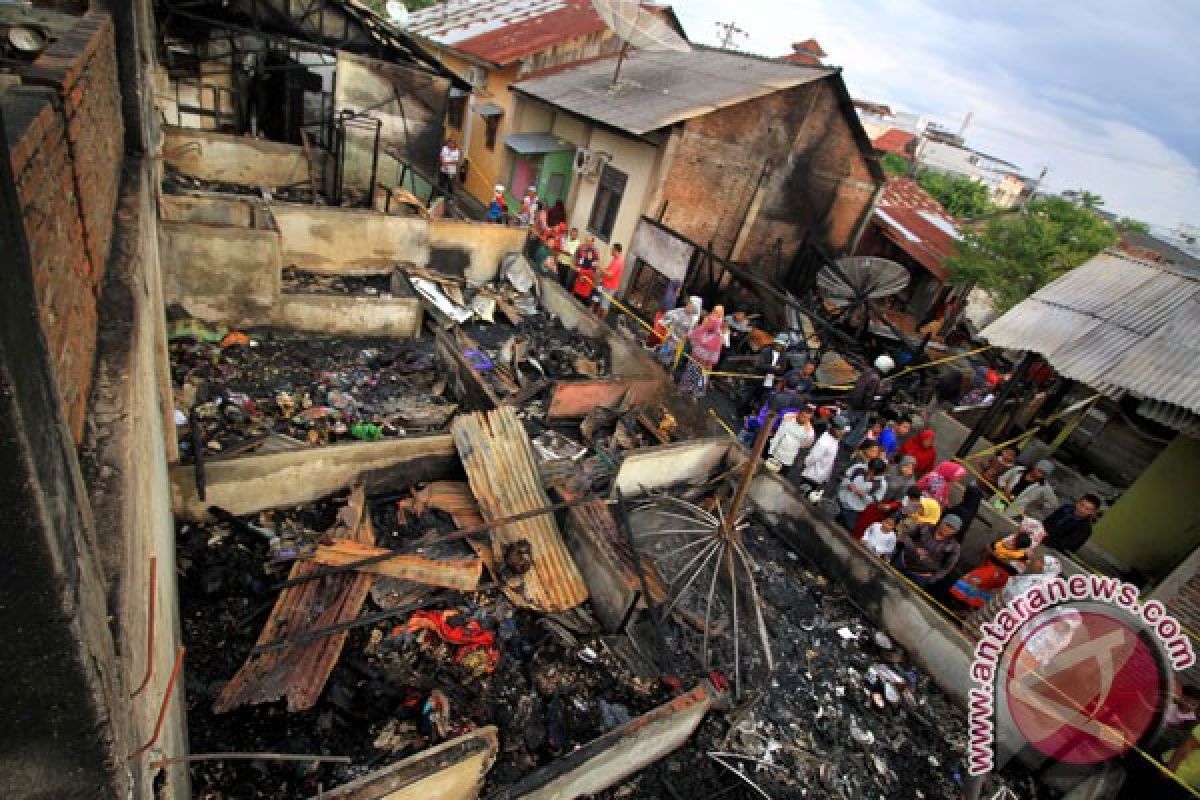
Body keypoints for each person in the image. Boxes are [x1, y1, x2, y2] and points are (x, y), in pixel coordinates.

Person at [896, 513, 963, 588]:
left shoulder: (954, 547)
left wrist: (932, 578)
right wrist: (914, 548)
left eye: (952, 528)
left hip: (920, 576)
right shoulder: (925, 527)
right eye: (947, 525)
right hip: (902, 563)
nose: (947, 529)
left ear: (955, 531)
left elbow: (948, 567)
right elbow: (905, 536)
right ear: (942, 522)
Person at [847, 354, 894, 446]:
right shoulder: (875, 378)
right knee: (861, 426)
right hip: (860, 405)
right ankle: (849, 444)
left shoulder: (868, 372)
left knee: (849, 419)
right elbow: (869, 395)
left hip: (853, 400)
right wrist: (867, 409)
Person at [800, 415, 850, 495]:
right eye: (840, 430)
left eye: (843, 431)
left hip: (821, 478)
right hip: (812, 477)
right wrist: (805, 465)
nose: (842, 433)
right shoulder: (824, 442)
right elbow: (812, 458)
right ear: (833, 428)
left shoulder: (835, 439)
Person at [679, 308, 724, 398]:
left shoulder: (718, 337)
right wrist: (687, 336)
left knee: (700, 377)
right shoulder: (704, 328)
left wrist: (710, 363)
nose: (708, 323)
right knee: (689, 372)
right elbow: (694, 333)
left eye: (711, 323)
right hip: (695, 356)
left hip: (705, 361)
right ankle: (684, 389)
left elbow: (716, 353)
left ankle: (695, 394)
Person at [838, 457, 888, 531]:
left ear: (880, 473)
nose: (870, 473)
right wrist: (848, 484)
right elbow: (844, 477)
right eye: (870, 470)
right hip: (841, 500)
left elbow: (875, 500)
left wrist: (863, 495)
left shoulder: (882, 484)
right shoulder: (858, 467)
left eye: (874, 473)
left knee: (846, 529)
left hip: (854, 509)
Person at [768, 408, 815, 483]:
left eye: (807, 418)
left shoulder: (810, 432)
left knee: (777, 480)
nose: (804, 419)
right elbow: (779, 430)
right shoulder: (788, 417)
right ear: (798, 413)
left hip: (787, 459)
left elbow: (806, 444)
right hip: (774, 451)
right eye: (803, 416)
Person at [657, 297, 701, 370]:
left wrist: (687, 335)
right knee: (663, 353)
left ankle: (666, 366)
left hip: (681, 342)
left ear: (694, 308)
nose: (688, 305)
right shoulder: (681, 310)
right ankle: (660, 363)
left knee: (669, 357)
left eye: (690, 304)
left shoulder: (693, 319)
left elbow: (692, 332)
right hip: (672, 336)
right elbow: (669, 314)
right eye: (689, 303)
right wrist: (669, 323)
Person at [756, 338, 790, 408]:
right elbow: (759, 364)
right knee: (755, 393)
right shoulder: (765, 351)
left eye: (781, 345)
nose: (778, 347)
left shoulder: (784, 356)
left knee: (766, 396)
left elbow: (782, 369)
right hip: (760, 377)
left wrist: (777, 370)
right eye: (778, 344)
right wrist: (772, 367)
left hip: (772, 379)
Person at [594, 243, 624, 318]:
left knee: (605, 305)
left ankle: (601, 323)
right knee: (601, 303)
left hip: (610, 287)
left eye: (612, 249)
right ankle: (597, 318)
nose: (610, 250)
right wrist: (601, 275)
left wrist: (599, 267)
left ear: (616, 250)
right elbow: (608, 270)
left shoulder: (618, 262)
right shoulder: (615, 259)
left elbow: (610, 274)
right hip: (606, 284)